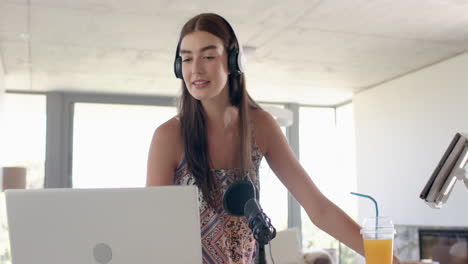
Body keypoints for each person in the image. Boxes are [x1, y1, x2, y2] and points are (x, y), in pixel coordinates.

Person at [147, 13, 418, 264]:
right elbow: (153, 229)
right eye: (186, 58)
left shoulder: (260, 126)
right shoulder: (169, 136)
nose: (195, 69)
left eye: (207, 57)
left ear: (233, 62)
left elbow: (319, 208)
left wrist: (391, 261)